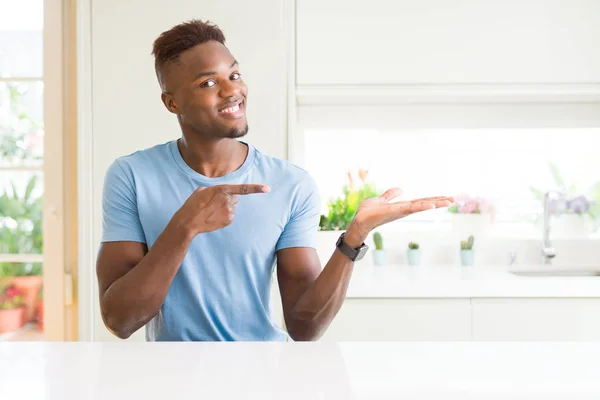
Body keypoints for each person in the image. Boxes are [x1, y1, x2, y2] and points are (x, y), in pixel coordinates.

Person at [96, 19, 453, 341]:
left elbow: (304, 327)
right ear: (172, 103)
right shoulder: (132, 176)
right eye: (208, 82)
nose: (231, 91)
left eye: (234, 75)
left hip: (264, 375)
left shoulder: (290, 185)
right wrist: (184, 227)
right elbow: (120, 320)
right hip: (170, 379)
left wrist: (354, 237)